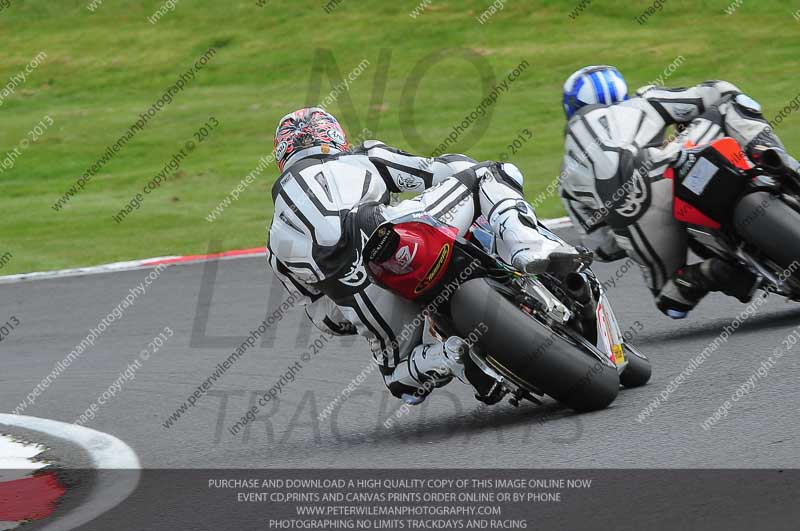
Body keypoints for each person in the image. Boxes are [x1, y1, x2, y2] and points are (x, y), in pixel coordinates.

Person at [267, 107, 583, 404]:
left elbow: (323, 315)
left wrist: (355, 318)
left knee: (398, 379)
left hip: (363, 295)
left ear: (282, 156)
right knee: (491, 174)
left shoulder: (275, 239)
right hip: (397, 232)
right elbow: (437, 171)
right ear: (335, 137)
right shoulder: (360, 158)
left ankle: (446, 357)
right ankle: (525, 244)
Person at [558, 65, 793, 318]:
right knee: (729, 101)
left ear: (570, 107)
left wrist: (626, 232)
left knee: (671, 302)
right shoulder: (643, 102)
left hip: (633, 216)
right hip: (672, 158)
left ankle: (710, 273)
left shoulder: (565, 177)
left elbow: (602, 246)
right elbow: (714, 93)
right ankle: (779, 162)